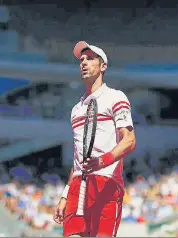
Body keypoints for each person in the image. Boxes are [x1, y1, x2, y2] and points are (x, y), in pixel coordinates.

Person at [53, 41, 136, 237]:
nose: (83, 63)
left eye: (90, 58)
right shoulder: (76, 110)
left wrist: (102, 160)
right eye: (81, 59)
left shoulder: (116, 97)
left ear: (103, 66)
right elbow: (77, 157)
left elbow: (129, 140)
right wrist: (65, 194)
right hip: (77, 185)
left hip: (106, 182)